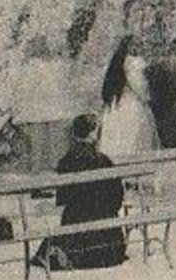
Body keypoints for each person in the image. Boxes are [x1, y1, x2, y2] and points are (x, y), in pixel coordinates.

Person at [36, 114, 127, 271]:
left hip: (77, 225)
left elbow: (63, 198)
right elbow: (117, 197)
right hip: (109, 238)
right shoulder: (105, 161)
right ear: (92, 134)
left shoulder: (66, 161)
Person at [99, 38, 159, 159]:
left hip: (118, 109)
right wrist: (148, 97)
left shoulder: (114, 94)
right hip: (132, 110)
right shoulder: (134, 63)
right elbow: (140, 87)